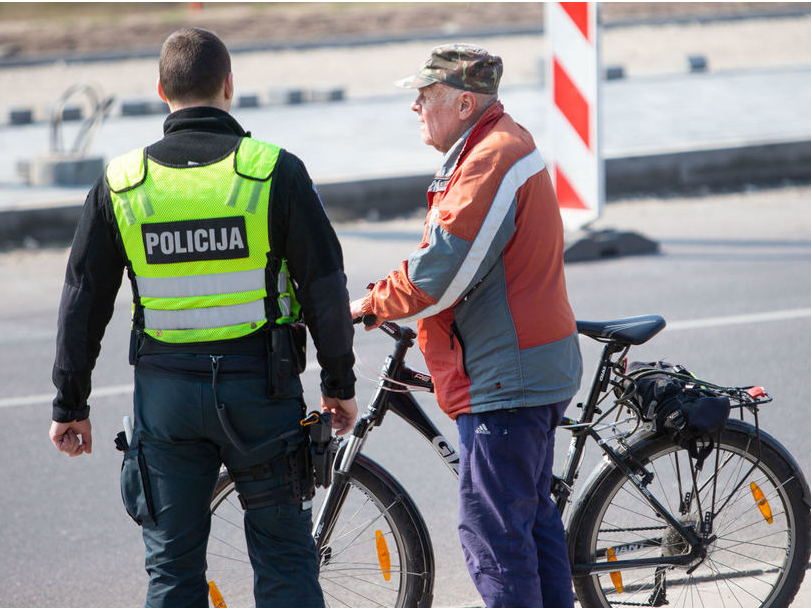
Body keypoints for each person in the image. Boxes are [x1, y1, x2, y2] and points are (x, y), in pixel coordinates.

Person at [48, 27, 356, 608]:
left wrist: (70, 405)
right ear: (229, 86)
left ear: (162, 90)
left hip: (165, 401)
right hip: (261, 394)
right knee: (286, 560)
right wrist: (338, 385)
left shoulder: (123, 184)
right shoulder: (273, 171)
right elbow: (325, 286)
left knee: (172, 570)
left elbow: (83, 301)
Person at [350, 44, 583, 608]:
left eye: (424, 96)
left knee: (496, 538)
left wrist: (370, 304)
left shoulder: (491, 158)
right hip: (523, 363)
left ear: (461, 102)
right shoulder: (492, 145)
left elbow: (438, 274)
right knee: (531, 524)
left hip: (508, 377)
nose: (416, 108)